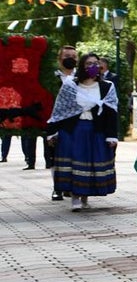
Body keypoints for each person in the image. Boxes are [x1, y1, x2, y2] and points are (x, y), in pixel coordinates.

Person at [45, 52, 118, 210]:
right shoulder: (71, 86)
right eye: (89, 64)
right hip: (74, 131)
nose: (93, 67)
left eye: (96, 63)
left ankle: (85, 195)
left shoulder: (107, 87)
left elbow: (112, 113)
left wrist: (112, 136)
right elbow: (60, 111)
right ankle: (75, 197)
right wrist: (52, 132)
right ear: (82, 67)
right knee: (75, 162)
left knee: (90, 163)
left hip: (96, 131)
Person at [23, 46, 78, 201]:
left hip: (75, 122)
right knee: (52, 155)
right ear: (59, 58)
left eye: (73, 56)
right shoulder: (51, 78)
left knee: (74, 155)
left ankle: (72, 186)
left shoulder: (80, 77)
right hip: (53, 120)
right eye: (67, 55)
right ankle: (57, 188)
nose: (70, 58)